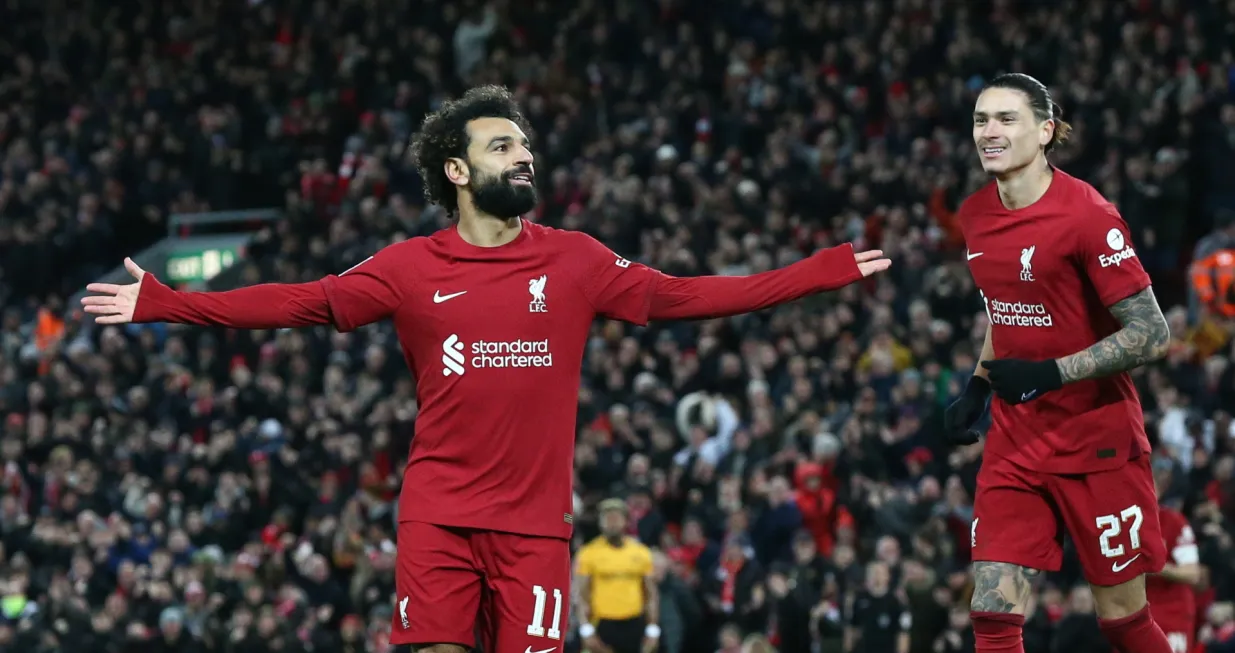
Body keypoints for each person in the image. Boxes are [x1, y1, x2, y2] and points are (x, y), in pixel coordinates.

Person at [78, 85, 890, 653]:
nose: (524, 155)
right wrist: (167, 302)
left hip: (535, 523)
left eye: (525, 143)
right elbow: (298, 302)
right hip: (437, 511)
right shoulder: (405, 266)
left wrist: (814, 271)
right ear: (458, 172)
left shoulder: (576, 261)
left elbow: (689, 295)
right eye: (503, 145)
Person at [942, 73, 1175, 653]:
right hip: (1016, 443)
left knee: (1123, 621)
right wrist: (977, 386)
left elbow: (1152, 333)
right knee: (992, 613)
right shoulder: (974, 215)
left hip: (1095, 442)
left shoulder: (1088, 216)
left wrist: (1052, 373)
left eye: (1005, 119)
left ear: (1045, 131)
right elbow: (1009, 311)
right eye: (980, 119)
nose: (989, 132)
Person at [573, 498, 658, 653]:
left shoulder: (641, 553)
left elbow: (651, 594)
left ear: (626, 521)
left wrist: (652, 629)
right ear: (600, 523)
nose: (612, 522)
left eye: (616, 517)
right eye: (607, 518)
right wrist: (586, 630)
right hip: (603, 624)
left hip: (634, 623)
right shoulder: (588, 554)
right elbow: (581, 595)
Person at [1145, 460, 1202, 653]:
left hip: (1171, 613)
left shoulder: (1173, 522)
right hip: (1131, 614)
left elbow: (1192, 573)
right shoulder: (1122, 525)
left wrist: (1154, 567)